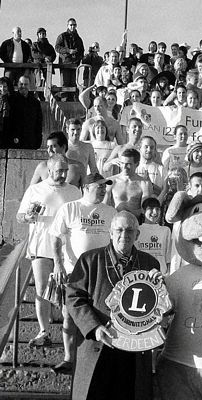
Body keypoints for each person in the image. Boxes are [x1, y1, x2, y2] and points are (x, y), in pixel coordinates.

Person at [66, 211, 160, 400]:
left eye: (129, 231)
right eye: (118, 230)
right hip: (99, 343)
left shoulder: (150, 263)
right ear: (110, 232)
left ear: (137, 235)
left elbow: (159, 305)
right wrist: (95, 327)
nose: (123, 235)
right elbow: (73, 297)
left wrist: (160, 287)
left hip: (134, 350)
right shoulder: (90, 260)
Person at [49, 172, 115, 375]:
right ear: (86, 188)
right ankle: (69, 358)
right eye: (99, 186)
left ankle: (99, 359)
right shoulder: (70, 208)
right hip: (73, 273)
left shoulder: (111, 212)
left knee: (102, 315)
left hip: (102, 274)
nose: (104, 189)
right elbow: (55, 238)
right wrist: (58, 265)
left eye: (105, 186)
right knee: (69, 316)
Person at [16, 154, 81, 347]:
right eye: (59, 171)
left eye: (65, 171)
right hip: (41, 246)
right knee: (42, 289)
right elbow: (20, 216)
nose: (63, 174)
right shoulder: (35, 189)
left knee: (65, 291)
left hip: (66, 250)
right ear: (49, 170)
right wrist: (27, 217)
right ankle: (43, 331)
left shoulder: (75, 191)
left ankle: (68, 333)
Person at [105, 148, 153, 219]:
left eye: (128, 164)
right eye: (122, 163)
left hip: (135, 221)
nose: (124, 167)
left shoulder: (144, 184)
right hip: (115, 221)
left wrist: (127, 213)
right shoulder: (111, 181)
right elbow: (104, 205)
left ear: (137, 164)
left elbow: (145, 210)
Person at [135, 197, 171, 276]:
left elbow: (169, 256)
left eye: (157, 209)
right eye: (150, 209)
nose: (154, 212)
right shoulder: (137, 230)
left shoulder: (165, 230)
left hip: (160, 275)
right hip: (140, 275)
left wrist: (167, 275)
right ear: (143, 211)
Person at [7, 76, 42, 149]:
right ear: (18, 84)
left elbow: (38, 123)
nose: (23, 86)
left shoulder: (35, 103)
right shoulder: (11, 100)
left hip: (30, 141)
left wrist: (38, 140)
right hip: (14, 141)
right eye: (21, 84)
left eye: (26, 84)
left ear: (29, 85)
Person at [55, 18, 84, 101]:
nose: (72, 27)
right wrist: (68, 51)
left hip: (75, 65)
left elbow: (82, 50)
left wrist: (78, 58)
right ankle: (64, 102)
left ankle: (71, 102)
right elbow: (57, 47)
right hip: (65, 64)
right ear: (67, 25)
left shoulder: (78, 39)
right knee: (65, 84)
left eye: (74, 25)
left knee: (73, 84)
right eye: (71, 25)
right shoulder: (62, 36)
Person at [0, 77, 12, 149]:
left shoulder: (12, 99)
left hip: (8, 128)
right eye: (0, 86)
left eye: (5, 86)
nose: (2, 89)